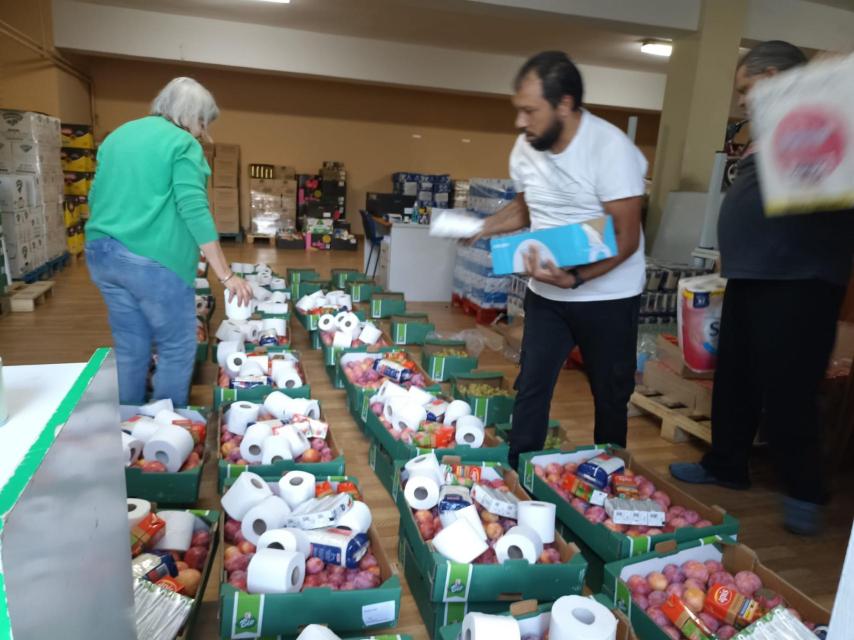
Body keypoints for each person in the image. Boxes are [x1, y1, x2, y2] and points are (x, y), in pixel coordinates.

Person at [670, 41, 854, 536]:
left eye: (747, 89)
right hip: (753, 275)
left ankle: (805, 490)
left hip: (799, 279)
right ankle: (726, 465)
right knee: (736, 376)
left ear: (772, 76)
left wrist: (825, 77)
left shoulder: (830, 120)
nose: (744, 101)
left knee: (789, 387)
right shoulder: (770, 130)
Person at [472, 51, 648, 468]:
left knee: (609, 395)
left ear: (565, 104)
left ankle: (611, 476)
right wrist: (481, 227)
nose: (520, 122)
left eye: (530, 111)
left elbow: (627, 237)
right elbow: (524, 209)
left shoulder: (610, 149)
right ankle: (519, 472)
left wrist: (575, 280)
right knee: (532, 386)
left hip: (609, 296)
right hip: (546, 294)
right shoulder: (526, 146)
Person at [86, 77, 252, 407]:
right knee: (177, 346)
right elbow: (193, 208)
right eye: (203, 123)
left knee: (132, 345)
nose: (202, 133)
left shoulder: (118, 136)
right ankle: (167, 431)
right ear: (192, 115)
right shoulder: (182, 144)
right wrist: (226, 275)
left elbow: (95, 195)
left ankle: (130, 433)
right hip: (152, 263)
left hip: (102, 254)